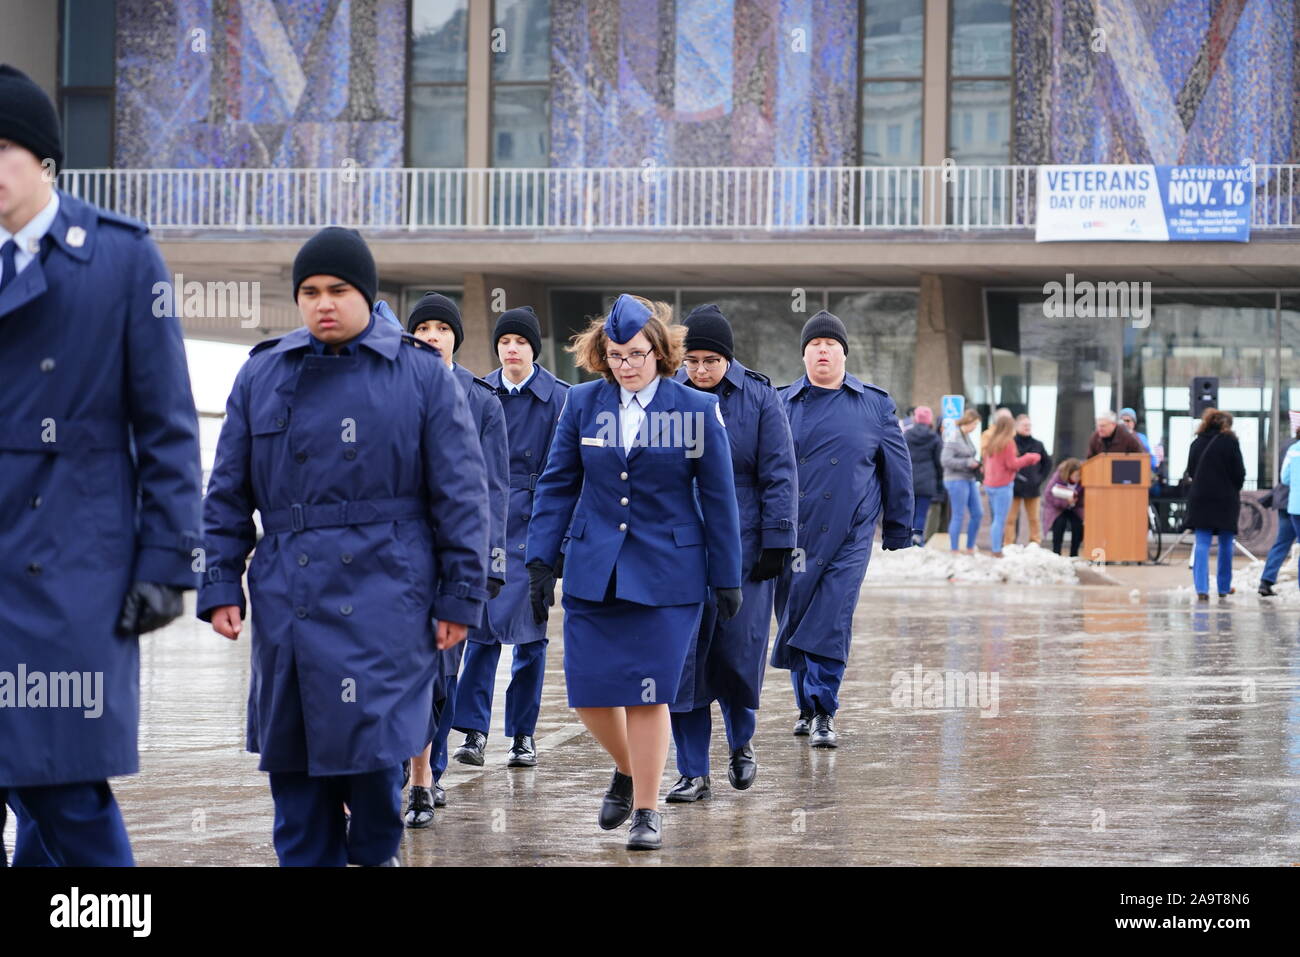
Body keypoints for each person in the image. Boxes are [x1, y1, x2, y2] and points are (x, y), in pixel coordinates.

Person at [198, 227, 490, 866]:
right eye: (308, 292)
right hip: (289, 599)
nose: (322, 303)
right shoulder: (262, 374)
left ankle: (376, 854)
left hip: (389, 599)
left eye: (337, 290)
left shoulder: (420, 376)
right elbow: (225, 493)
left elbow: (463, 499)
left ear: (366, 293)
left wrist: (460, 597)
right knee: (296, 782)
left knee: (377, 773)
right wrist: (219, 581)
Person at [0, 66, 203, 866]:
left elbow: (167, 428)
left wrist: (167, 563)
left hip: (73, 568)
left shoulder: (121, 261)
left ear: (42, 157)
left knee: (65, 785)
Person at [526, 294, 741, 850]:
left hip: (669, 573)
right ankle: (629, 768)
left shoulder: (694, 410)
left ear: (660, 352)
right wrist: (538, 561)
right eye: (617, 355)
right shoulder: (580, 405)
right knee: (589, 695)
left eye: (637, 354)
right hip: (594, 569)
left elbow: (718, 497)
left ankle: (646, 808)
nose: (627, 365)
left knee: (649, 695)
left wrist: (728, 575)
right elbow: (556, 485)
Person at [666, 304, 797, 802]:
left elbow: (779, 473)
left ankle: (741, 744)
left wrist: (777, 541)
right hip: (680, 550)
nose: (699, 370)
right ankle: (692, 770)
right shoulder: (667, 397)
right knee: (683, 663)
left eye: (710, 360)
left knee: (737, 654)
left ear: (728, 358)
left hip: (744, 550)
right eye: (692, 360)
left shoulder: (759, 398)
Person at [773, 310, 913, 748]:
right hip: (790, 534)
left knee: (831, 617)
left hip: (849, 534)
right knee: (795, 615)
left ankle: (824, 710)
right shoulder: (779, 402)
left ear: (844, 354)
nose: (822, 351)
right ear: (804, 355)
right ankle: (805, 704)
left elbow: (898, 467)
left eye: (831, 344)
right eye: (814, 345)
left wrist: (897, 526)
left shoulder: (874, 403)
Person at [403, 293, 508, 827]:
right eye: (422, 326)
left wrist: (489, 564)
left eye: (442, 327)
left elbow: (492, 489)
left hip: (453, 561)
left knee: (442, 672)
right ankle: (405, 772)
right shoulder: (388, 388)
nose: (431, 334)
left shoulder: (483, 401)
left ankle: (428, 773)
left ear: (454, 338)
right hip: (391, 557)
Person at [453, 305, 570, 770]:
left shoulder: (559, 399)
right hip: (489, 524)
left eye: (520, 341)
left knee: (530, 641)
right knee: (480, 637)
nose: (512, 348)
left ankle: (522, 735)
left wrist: (558, 548)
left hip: (537, 530)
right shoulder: (479, 394)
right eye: (504, 341)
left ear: (533, 349)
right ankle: (474, 732)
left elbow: (568, 476)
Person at [1182, 408, 1246, 601]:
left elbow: (1191, 470)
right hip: (1225, 499)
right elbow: (1239, 472)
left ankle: (1201, 588)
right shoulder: (1230, 443)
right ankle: (1223, 587)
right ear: (1227, 425)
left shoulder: (1197, 442)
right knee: (1226, 543)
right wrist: (1233, 486)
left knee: (1202, 543)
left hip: (1201, 498)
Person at [980, 416, 1042, 558]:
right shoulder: (1008, 443)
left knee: (996, 518)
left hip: (990, 484)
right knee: (1000, 519)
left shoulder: (991, 442)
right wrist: (1030, 458)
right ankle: (996, 550)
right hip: (1003, 485)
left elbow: (986, 464)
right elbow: (1012, 464)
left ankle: (996, 547)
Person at [1259, 413, 1300, 597]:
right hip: (1291, 500)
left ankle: (1266, 581)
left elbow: (1284, 475)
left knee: (1282, 542)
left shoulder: (1287, 447)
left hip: (1287, 502)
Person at [1004, 414, 1051, 546]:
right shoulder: (1010, 443)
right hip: (1014, 487)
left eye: (1029, 425)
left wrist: (1039, 478)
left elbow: (1047, 463)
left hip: (1032, 487)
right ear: (1016, 427)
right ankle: (1008, 544)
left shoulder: (1038, 444)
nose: (1027, 428)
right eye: (1024, 425)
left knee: (1034, 518)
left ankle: (1035, 542)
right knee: (1010, 518)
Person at [942, 409, 984, 553]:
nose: (975, 428)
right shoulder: (953, 436)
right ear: (969, 421)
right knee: (958, 514)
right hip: (956, 480)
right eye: (975, 424)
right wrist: (967, 462)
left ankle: (970, 546)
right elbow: (945, 460)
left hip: (969, 478)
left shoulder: (966, 436)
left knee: (978, 513)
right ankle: (954, 549)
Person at [905, 406, 944, 547]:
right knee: (921, 512)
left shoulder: (907, 436)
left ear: (915, 418)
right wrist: (939, 480)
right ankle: (918, 536)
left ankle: (907, 537)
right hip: (927, 480)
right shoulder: (934, 437)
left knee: (910, 511)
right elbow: (939, 462)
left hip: (909, 480)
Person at [1041, 458, 1084, 556]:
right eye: (1076, 475)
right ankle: (1056, 552)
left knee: (1077, 525)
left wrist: (1076, 500)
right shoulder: (1058, 476)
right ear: (1069, 473)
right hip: (1057, 507)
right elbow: (1048, 495)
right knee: (1059, 523)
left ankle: (1074, 553)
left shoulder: (1082, 481)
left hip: (1075, 508)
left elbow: (1084, 497)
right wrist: (1065, 501)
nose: (1078, 478)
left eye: (1080, 475)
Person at [1119, 407, 1158, 473]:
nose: (1125, 424)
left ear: (1134, 422)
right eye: (1123, 421)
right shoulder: (1114, 438)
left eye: (1128, 421)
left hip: (1137, 474)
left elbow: (1150, 458)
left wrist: (1154, 467)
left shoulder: (1141, 438)